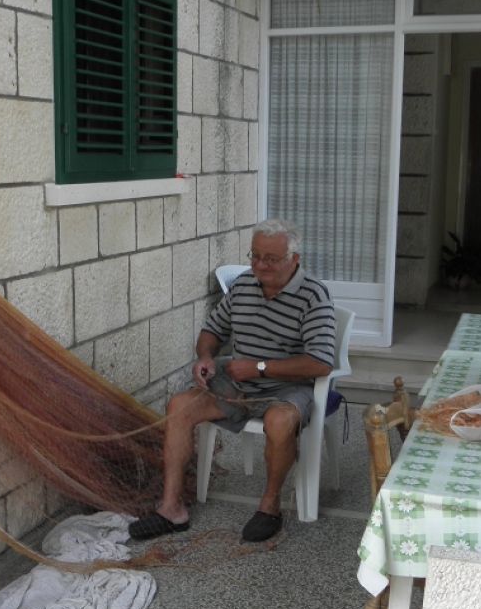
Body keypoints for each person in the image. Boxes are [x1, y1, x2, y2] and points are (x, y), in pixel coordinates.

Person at [128, 219, 337, 544]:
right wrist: (206, 358)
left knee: (280, 422)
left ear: (294, 260)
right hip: (238, 384)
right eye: (255, 256)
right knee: (179, 406)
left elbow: (321, 362)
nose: (260, 265)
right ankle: (171, 509)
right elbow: (212, 331)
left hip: (287, 387)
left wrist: (260, 367)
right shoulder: (243, 285)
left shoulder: (313, 296)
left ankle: (270, 507)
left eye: (271, 259)